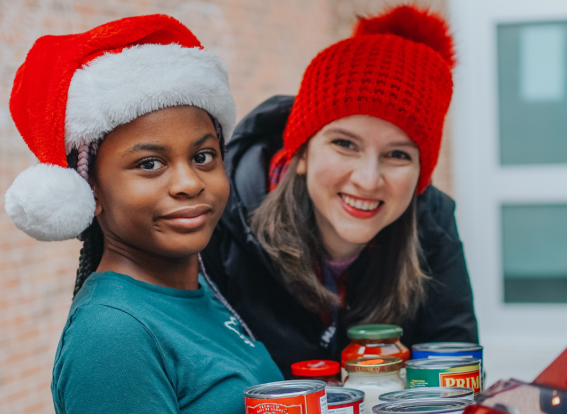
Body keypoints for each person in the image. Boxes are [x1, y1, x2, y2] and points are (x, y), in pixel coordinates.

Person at [4, 15, 425, 414]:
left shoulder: (198, 290)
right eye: (149, 164)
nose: (188, 182)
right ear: (88, 192)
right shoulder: (113, 333)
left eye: (203, 156)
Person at [202, 5, 477, 376]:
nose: (367, 179)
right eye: (345, 144)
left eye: (397, 154)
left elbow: (457, 375)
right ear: (301, 152)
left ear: (420, 175)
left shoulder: (434, 224)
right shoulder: (220, 220)